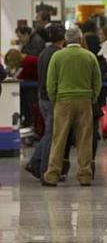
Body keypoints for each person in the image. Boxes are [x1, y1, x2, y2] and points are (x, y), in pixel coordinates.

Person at [43, 26, 102, 186]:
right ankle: (85, 175)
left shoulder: (57, 56)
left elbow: (50, 82)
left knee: (59, 138)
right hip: (84, 101)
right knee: (85, 139)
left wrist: (55, 98)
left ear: (66, 39)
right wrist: (93, 97)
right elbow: (97, 81)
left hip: (63, 101)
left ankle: (52, 174)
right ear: (80, 39)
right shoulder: (89, 57)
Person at [25, 25, 66, 180]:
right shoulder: (59, 54)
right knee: (52, 134)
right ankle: (43, 169)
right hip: (52, 99)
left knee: (50, 133)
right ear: (63, 38)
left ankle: (35, 163)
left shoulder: (43, 53)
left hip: (42, 97)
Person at [4, 48, 38, 129]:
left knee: (30, 107)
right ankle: (28, 122)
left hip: (32, 88)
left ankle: (31, 123)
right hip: (27, 88)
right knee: (25, 106)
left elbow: (26, 76)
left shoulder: (30, 61)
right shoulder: (25, 61)